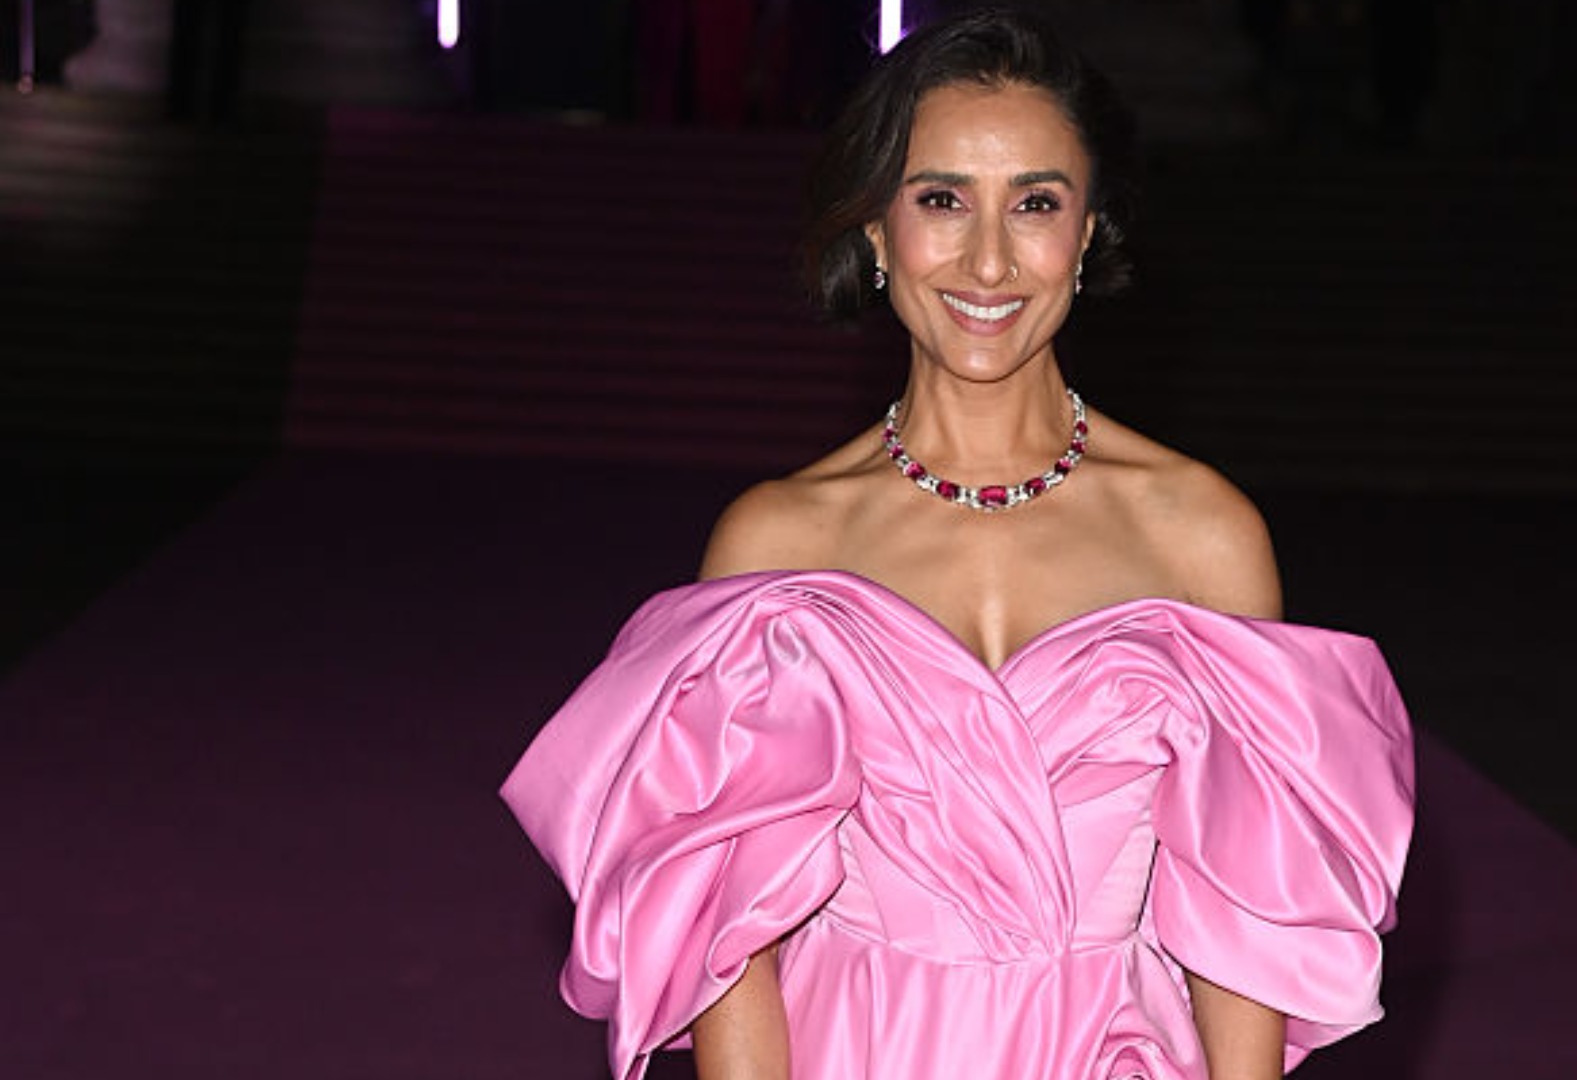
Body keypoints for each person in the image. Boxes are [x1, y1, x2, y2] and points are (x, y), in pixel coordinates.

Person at [502, 10, 1414, 1079]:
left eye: (1035, 203)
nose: (988, 260)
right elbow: (727, 940)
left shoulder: (1202, 534)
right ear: (876, 231)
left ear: (1088, 233)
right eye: (942, 200)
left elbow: (1249, 912)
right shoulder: (782, 542)